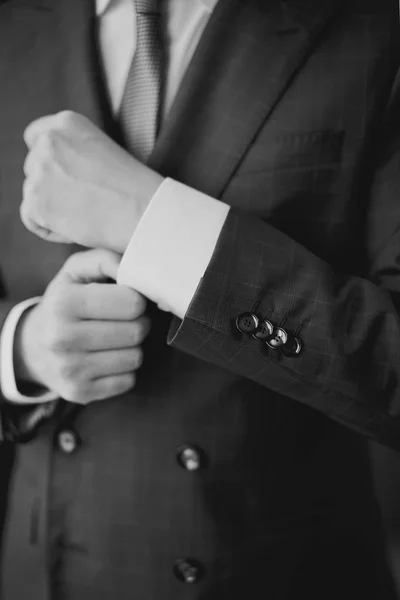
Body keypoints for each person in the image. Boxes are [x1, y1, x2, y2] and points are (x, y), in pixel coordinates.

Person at [0, 0, 400, 598]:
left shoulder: (369, 24)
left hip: (273, 572)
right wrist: (22, 350)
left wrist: (151, 223)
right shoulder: (11, 24)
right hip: (43, 571)